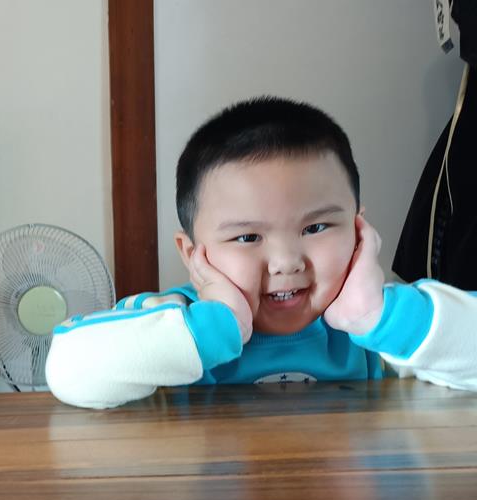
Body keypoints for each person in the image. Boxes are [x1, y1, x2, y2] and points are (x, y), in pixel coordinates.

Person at [46, 97, 477, 409]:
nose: (287, 261)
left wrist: (374, 316)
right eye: (248, 237)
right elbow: (69, 370)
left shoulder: (375, 326)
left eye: (316, 228)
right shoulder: (172, 319)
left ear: (358, 231)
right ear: (193, 254)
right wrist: (217, 326)